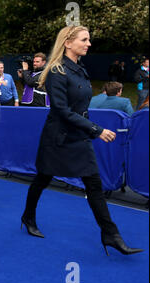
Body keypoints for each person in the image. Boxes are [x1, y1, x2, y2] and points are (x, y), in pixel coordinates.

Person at [20, 25, 143, 257]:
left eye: (89, 40)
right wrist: (97, 130)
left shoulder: (80, 69)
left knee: (94, 185)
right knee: (42, 179)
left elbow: (81, 108)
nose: (89, 44)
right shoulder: (57, 70)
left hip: (79, 137)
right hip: (58, 138)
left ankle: (110, 234)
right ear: (68, 42)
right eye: (84, 40)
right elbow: (62, 110)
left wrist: (89, 130)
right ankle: (28, 216)